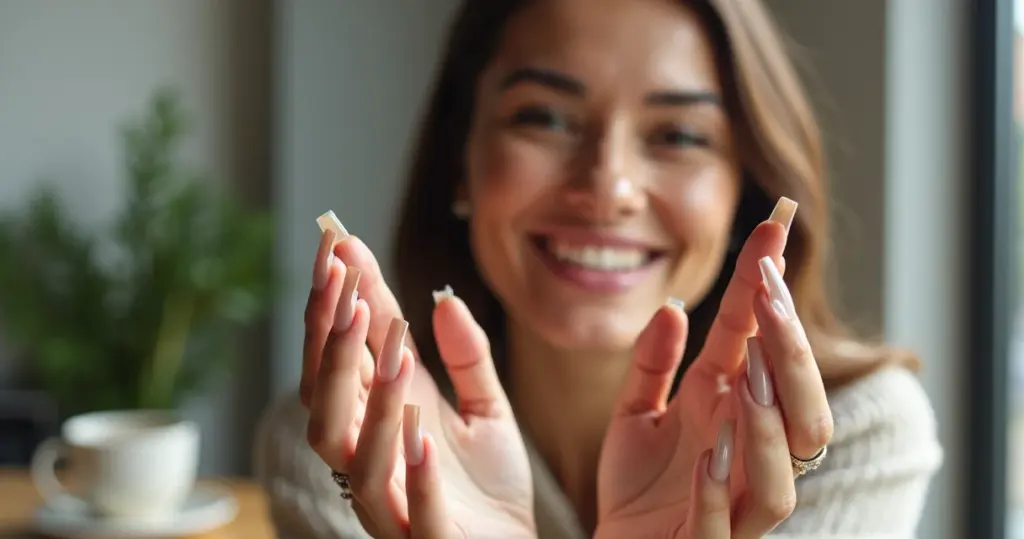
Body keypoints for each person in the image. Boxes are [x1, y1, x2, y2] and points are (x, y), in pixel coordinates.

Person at [253, 0, 943, 537]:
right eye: (545, 118)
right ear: (460, 162)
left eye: (678, 135)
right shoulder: (346, 444)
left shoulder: (858, 432)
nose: (608, 185)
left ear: (745, 195)